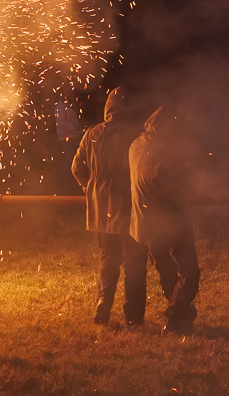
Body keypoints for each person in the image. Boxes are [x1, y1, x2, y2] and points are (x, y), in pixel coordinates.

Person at [72, 86, 147, 326]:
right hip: (128, 205)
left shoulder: (91, 133)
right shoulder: (135, 134)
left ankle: (103, 307)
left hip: (101, 207)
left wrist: (91, 189)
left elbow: (76, 168)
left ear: (108, 107)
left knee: (108, 257)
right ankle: (133, 316)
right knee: (134, 259)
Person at [130, 107, 200, 335]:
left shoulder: (135, 145)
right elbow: (170, 189)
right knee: (190, 272)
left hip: (145, 224)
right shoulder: (160, 154)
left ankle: (181, 316)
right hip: (168, 223)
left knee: (168, 272)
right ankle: (174, 317)